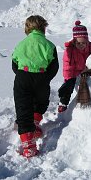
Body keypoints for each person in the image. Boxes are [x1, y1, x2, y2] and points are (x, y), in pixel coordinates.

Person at [12, 15, 59, 158]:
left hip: (23, 77)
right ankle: (35, 124)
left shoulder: (21, 44)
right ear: (43, 28)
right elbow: (54, 66)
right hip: (42, 77)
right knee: (41, 102)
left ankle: (29, 145)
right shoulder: (49, 45)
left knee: (23, 107)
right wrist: (45, 79)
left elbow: (14, 63)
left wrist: (21, 75)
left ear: (27, 28)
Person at [58, 20, 91, 113]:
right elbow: (67, 66)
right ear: (74, 42)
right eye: (78, 43)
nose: (81, 45)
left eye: (84, 43)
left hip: (87, 72)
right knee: (68, 87)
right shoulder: (70, 51)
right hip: (73, 74)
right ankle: (63, 103)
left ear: (87, 41)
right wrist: (69, 79)